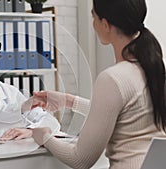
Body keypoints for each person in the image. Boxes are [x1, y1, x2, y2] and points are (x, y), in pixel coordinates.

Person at [29, 0, 166, 168]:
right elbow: (124, 115)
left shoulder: (113, 78)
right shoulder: (155, 68)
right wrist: (68, 101)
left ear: (105, 24)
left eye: (93, 17)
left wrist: (44, 137)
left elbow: (80, 160)